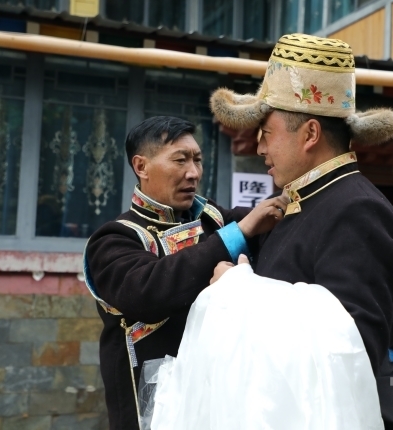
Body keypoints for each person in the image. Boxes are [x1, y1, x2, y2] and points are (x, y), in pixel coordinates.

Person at [210, 33, 393, 429]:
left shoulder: (357, 211)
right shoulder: (308, 201)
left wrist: (239, 291)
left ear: (309, 134)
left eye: (267, 133)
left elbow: (346, 348)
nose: (260, 148)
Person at [83, 116, 287, 430]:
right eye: (180, 160)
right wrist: (240, 232)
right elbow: (149, 291)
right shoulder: (116, 238)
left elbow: (268, 226)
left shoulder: (211, 218)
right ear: (141, 166)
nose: (193, 172)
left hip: (213, 395)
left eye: (197, 160)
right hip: (153, 407)